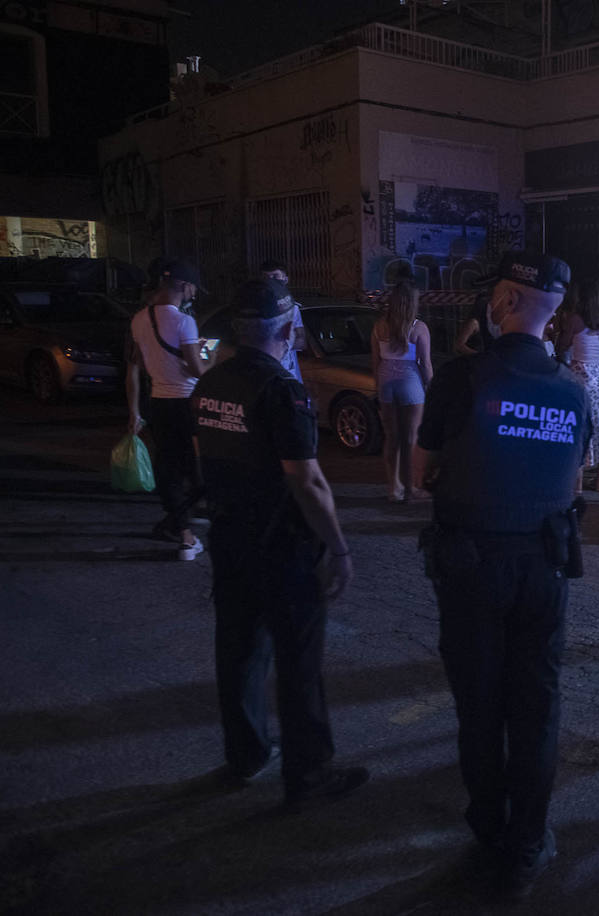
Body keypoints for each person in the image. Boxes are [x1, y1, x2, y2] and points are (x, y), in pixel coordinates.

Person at [415, 251, 588, 900]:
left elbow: (417, 472)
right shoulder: (571, 388)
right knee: (537, 709)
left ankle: (489, 829)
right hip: (544, 568)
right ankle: (527, 845)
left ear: (511, 301)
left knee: (480, 706)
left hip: (470, 567)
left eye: (496, 295)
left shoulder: (461, 379)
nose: (488, 304)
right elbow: (572, 482)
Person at [191, 278, 368, 809]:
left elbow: (206, 456)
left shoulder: (211, 384)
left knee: (239, 650)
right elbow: (307, 481)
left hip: (229, 535)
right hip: (282, 545)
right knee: (298, 662)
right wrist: (337, 548)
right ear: (289, 331)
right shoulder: (281, 390)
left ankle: (245, 755)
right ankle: (309, 775)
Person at [126, 258, 213, 560]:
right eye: (193, 288)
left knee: (171, 468)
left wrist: (134, 411)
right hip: (187, 404)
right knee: (198, 469)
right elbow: (196, 369)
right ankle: (185, 535)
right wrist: (207, 355)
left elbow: (137, 365)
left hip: (158, 404)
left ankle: (180, 525)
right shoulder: (183, 321)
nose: (194, 294)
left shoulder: (138, 319)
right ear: (184, 286)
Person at [371, 279, 433, 502]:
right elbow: (425, 363)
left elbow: (375, 361)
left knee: (391, 437)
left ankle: (393, 489)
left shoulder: (379, 326)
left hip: (386, 380)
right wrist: (431, 388)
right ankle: (411, 489)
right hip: (410, 382)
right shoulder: (418, 328)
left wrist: (377, 387)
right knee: (411, 438)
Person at [556, 278, 599, 493]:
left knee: (579, 426)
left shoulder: (575, 319)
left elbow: (562, 346)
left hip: (580, 375)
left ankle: (578, 483)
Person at [260, 259, 307, 382]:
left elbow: (302, 341)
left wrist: (283, 344)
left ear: (285, 279)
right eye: (266, 277)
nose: (271, 281)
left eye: (276, 276)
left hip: (288, 373)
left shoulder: (293, 308)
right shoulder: (256, 309)